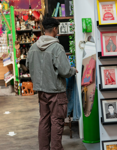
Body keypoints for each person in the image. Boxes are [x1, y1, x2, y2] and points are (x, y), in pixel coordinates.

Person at [26, 17, 78, 150]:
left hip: (41, 92)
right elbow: (65, 70)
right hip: (56, 92)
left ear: (44, 29)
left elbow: (27, 65)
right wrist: (73, 70)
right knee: (57, 122)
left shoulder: (33, 48)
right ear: (55, 29)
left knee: (44, 120)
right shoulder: (57, 48)